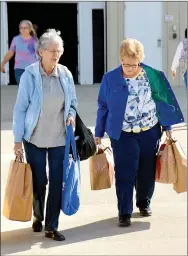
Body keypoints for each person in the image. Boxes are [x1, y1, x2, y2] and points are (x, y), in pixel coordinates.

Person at [95, 38, 184, 227]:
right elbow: (103, 106)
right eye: (125, 64)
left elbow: (163, 102)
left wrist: (167, 128)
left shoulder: (152, 75)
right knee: (125, 172)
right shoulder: (110, 78)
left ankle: (143, 202)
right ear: (120, 60)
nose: (128, 68)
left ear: (140, 60)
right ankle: (124, 212)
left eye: (133, 65)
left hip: (149, 131)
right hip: (123, 133)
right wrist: (98, 132)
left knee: (146, 170)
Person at [12, 29, 77, 241]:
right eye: (52, 51)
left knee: (58, 181)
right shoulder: (30, 75)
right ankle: (38, 215)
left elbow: (73, 103)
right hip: (34, 139)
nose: (56, 55)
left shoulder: (65, 74)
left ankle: (52, 225)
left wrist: (70, 115)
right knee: (40, 181)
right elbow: (20, 108)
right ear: (40, 52)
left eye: (59, 51)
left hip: (58, 138)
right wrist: (17, 139)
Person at [0, 20, 38, 85]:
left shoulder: (34, 41)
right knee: (22, 87)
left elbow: (39, 55)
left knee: (30, 88)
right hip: (19, 68)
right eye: (21, 28)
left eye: (25, 28)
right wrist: (2, 64)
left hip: (31, 69)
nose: (23, 29)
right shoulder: (16, 39)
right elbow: (10, 52)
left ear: (30, 29)